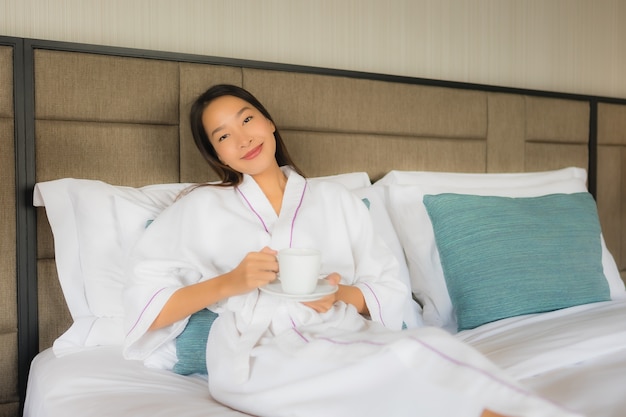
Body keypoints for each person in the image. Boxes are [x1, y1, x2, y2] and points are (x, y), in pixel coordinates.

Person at [123, 84, 581, 417]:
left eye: (247, 119)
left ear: (269, 122)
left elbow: (389, 286)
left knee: (425, 346)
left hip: (343, 330)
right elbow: (147, 305)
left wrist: (340, 296)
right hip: (258, 354)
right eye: (223, 136)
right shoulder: (201, 208)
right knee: (393, 377)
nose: (242, 138)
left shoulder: (335, 200)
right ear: (217, 156)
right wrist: (230, 283)